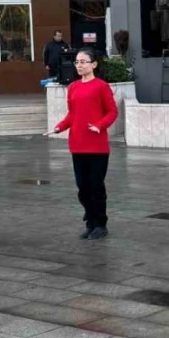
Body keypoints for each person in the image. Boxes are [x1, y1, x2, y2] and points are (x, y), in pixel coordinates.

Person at [45, 48, 119, 240]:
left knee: (96, 186)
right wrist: (60, 127)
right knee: (82, 187)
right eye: (77, 62)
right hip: (77, 144)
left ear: (94, 64)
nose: (79, 65)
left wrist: (99, 126)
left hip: (97, 145)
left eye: (84, 61)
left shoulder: (101, 86)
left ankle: (99, 224)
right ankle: (90, 220)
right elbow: (72, 114)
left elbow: (112, 112)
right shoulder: (74, 87)